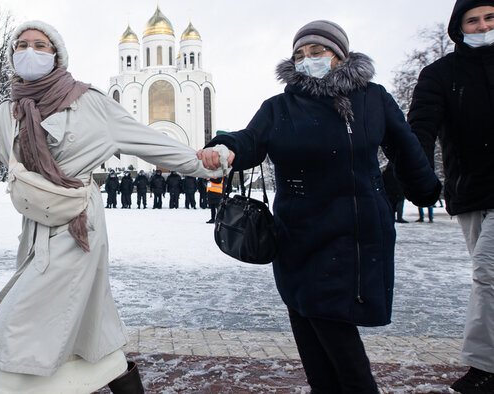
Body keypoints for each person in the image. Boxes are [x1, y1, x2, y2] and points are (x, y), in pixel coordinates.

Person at [0, 20, 219, 393]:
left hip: (79, 228)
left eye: (40, 44)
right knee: (85, 320)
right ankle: (117, 376)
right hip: (38, 227)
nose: (29, 51)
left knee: (18, 323)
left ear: (56, 55)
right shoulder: (9, 115)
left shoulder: (91, 103)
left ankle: (0, 387)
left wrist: (208, 161)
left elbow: (150, 142)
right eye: (21, 45)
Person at [198, 20, 440, 393]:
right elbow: (251, 139)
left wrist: (422, 189)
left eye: (316, 51)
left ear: (340, 56)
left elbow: (405, 147)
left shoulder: (372, 99)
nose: (307, 59)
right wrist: (225, 146)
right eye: (299, 54)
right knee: (310, 331)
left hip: (353, 235)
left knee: (335, 336)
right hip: (299, 234)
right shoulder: (281, 107)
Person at [408, 0, 494, 390]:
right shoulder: (442, 74)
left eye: (490, 18)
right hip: (473, 190)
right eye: (472, 20)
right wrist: (417, 175)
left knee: (489, 273)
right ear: (459, 28)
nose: (481, 26)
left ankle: (484, 367)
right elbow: (421, 129)